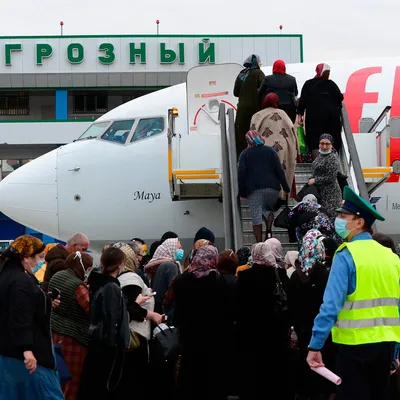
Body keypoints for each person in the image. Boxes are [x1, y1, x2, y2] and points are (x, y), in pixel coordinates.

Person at [307, 186, 400, 400]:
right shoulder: (391, 258)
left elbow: (331, 306)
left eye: (343, 216)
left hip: (354, 346)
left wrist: (315, 345)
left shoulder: (346, 255)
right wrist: (396, 348)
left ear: (359, 222)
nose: (338, 219)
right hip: (385, 346)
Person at [0, 235, 64, 399]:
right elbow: (20, 314)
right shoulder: (22, 281)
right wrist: (27, 349)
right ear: (25, 257)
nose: (39, 262)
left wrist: (45, 300)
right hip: (30, 354)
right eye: (38, 257)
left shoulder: (6, 274)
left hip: (8, 351)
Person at [173, 245, 236, 400]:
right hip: (214, 341)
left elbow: (178, 310)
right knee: (212, 382)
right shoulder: (219, 281)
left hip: (189, 338)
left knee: (190, 377)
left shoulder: (181, 281)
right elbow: (227, 313)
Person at [236, 242, 291, 400]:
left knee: (254, 374)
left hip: (251, 334)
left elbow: (238, 305)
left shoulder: (245, 276)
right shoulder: (279, 274)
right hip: (276, 332)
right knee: (276, 373)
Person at [287, 230, 336, 400]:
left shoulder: (294, 275)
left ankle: (305, 391)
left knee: (304, 358)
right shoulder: (325, 275)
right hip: (323, 328)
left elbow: (290, 304)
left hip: (301, 327)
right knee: (324, 360)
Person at [78, 247, 130, 399]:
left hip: (97, 341)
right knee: (105, 386)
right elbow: (111, 317)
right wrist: (115, 345)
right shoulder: (111, 287)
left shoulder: (98, 283)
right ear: (120, 264)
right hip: (107, 346)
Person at [49, 251, 93, 400]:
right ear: (81, 267)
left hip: (55, 333)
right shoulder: (77, 286)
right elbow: (90, 309)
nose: (89, 271)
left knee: (58, 378)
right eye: (88, 267)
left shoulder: (57, 276)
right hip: (74, 338)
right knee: (71, 383)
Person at [238, 130, 290, 241]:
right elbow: (279, 170)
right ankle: (269, 231)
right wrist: (286, 187)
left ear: (248, 141)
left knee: (256, 215)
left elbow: (241, 173)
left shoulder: (245, 154)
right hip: (273, 189)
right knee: (267, 210)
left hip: (254, 190)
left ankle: (259, 243)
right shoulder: (271, 151)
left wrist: (242, 192)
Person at [250, 93, 298, 198]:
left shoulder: (258, 115)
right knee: (281, 170)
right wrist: (296, 151)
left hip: (263, 148)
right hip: (283, 147)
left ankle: (266, 199)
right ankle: (281, 196)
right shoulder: (283, 114)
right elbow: (292, 132)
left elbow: (251, 134)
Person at [297, 63, 344, 158]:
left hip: (314, 117)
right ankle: (332, 161)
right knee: (331, 138)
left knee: (315, 140)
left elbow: (303, 100)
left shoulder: (309, 84)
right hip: (331, 117)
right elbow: (340, 98)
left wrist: (300, 114)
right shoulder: (332, 84)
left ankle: (317, 162)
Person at [234, 54, 265, 156]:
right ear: (256, 62)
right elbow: (264, 87)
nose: (261, 63)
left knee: (240, 134)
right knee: (255, 132)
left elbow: (235, 92)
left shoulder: (241, 74)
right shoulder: (259, 73)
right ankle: (255, 156)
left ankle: (240, 157)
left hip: (242, 109)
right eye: (260, 61)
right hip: (255, 109)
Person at [144, 237, 183, 313]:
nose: (181, 250)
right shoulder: (170, 266)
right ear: (171, 249)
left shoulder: (158, 263)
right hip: (166, 309)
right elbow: (173, 290)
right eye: (179, 248)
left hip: (158, 306)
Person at [308, 134, 342, 218]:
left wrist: (315, 180)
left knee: (329, 217)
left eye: (327, 144)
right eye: (322, 143)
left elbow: (331, 178)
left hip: (331, 195)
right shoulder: (320, 156)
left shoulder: (332, 158)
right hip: (320, 192)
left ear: (332, 145)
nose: (324, 146)